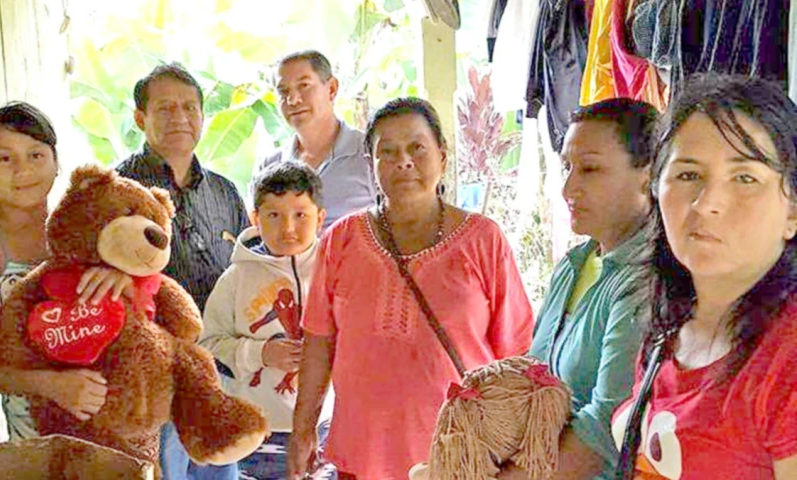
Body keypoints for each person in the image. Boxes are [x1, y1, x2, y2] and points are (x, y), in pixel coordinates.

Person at [287, 97, 535, 480]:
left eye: (417, 147)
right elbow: (319, 342)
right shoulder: (341, 240)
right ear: (372, 168)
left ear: (442, 155)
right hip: (362, 454)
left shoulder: (483, 239)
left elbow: (515, 352)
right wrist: (303, 429)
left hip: (462, 455)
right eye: (387, 152)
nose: (403, 161)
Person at [611, 75, 797, 479]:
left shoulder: (787, 356)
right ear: (655, 190)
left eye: (745, 178)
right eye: (688, 175)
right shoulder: (670, 328)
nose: (707, 202)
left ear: (792, 211)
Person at [499, 98, 659, 480]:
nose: (569, 186)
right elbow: (532, 377)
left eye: (590, 169)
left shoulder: (646, 278)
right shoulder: (574, 265)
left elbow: (606, 427)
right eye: (567, 166)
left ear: (648, 175)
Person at [115, 63, 247, 480]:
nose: (180, 118)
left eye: (190, 107)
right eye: (166, 108)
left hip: (217, 374)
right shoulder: (117, 188)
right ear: (140, 118)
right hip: (151, 382)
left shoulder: (224, 191)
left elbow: (247, 271)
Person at [0, 102, 133, 444]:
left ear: (56, 163)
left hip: (115, 426)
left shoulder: (90, 231)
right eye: (4, 158)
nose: (23, 170)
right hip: (36, 443)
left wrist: (127, 279)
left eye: (36, 155)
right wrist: (49, 384)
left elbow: (145, 306)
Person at [199, 161, 333, 479]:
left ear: (321, 218)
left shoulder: (334, 273)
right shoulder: (235, 278)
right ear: (255, 219)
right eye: (274, 215)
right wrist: (260, 354)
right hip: (255, 433)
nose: (288, 228)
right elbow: (208, 346)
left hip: (323, 429)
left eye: (300, 215)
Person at [255, 50, 376, 229]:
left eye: (304, 86)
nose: (293, 100)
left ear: (332, 89)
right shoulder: (270, 166)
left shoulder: (370, 153)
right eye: (283, 91)